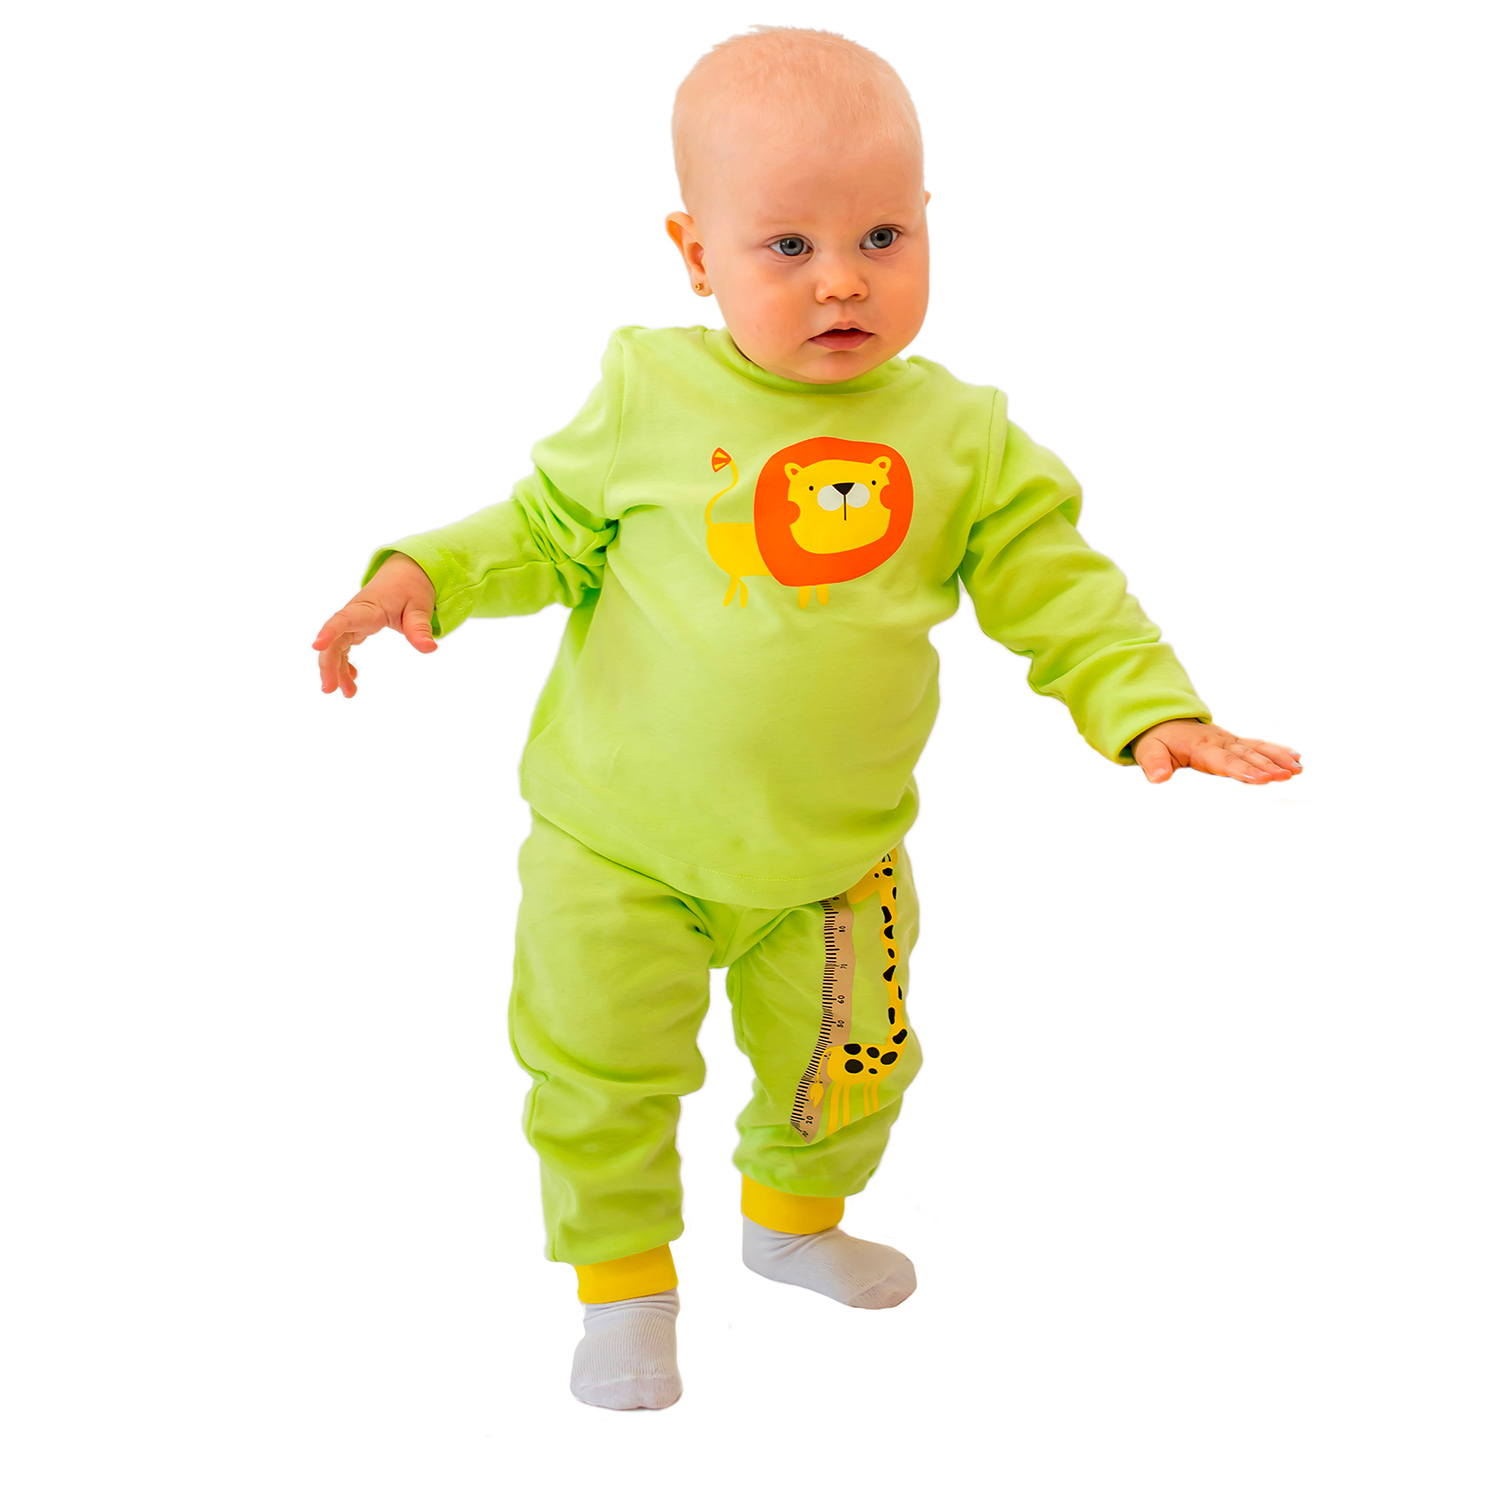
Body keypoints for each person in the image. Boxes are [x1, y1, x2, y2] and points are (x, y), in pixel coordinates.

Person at [311, 26, 1301, 1410]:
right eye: (788, 246)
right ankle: (623, 1290)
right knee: (598, 1073)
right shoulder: (653, 392)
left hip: (835, 858)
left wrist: (1151, 712)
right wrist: (423, 574)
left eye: (883, 236)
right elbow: (541, 529)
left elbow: (1060, 588)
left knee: (851, 1067)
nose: (844, 278)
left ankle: (789, 1228)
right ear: (694, 252)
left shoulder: (962, 438)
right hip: (618, 846)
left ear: (929, 223)